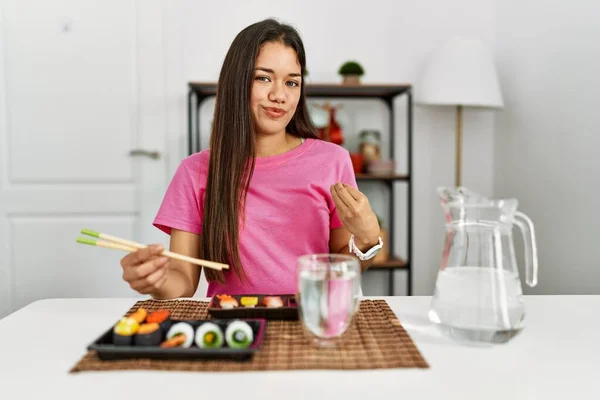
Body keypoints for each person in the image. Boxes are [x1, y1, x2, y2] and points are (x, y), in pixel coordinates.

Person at [120, 18, 383, 299]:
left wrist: (367, 240)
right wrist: (155, 281)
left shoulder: (333, 161)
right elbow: (182, 280)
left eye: (292, 82)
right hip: (233, 325)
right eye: (263, 78)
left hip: (311, 319)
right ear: (237, 82)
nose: (279, 95)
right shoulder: (195, 171)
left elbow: (343, 267)